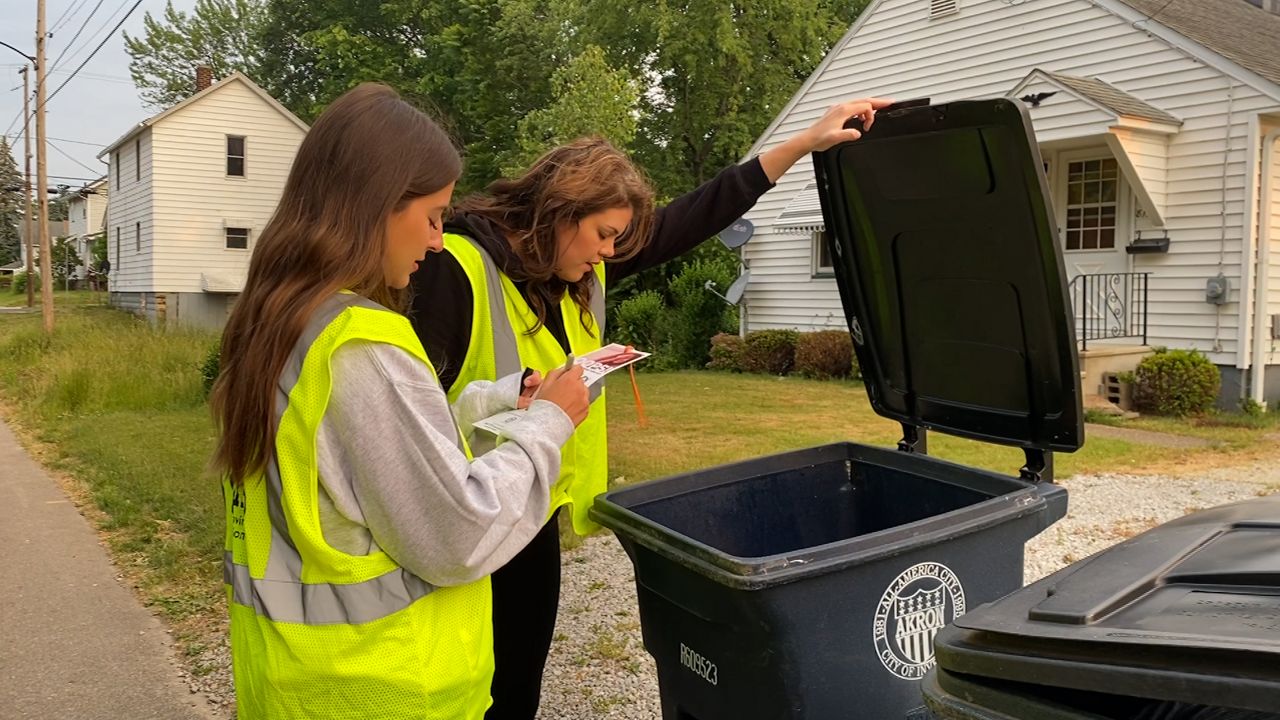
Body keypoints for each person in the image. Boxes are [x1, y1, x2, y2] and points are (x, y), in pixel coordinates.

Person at [410, 96, 892, 719]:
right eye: (603, 234)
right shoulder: (455, 268)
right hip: (465, 518)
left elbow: (697, 214)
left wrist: (803, 144)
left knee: (517, 684)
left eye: (617, 239)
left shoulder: (576, 270)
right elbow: (410, 411)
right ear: (559, 212)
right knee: (465, 687)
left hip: (530, 514)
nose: (610, 253)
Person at [209, 82, 590, 720]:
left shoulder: (279, 321)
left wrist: (493, 404)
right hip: (385, 688)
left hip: (297, 681)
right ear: (376, 206)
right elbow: (456, 532)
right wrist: (547, 426)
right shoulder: (363, 346)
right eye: (433, 215)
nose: (439, 240)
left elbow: (351, 470)